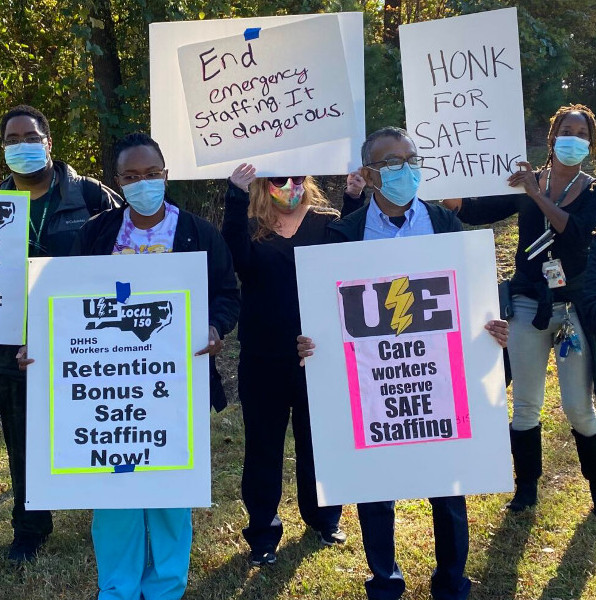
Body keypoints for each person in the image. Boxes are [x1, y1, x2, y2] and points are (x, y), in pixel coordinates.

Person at [297, 126, 509, 600]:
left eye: (412, 159)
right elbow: (328, 311)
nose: (406, 170)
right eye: (393, 163)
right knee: (376, 484)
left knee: (448, 486)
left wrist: (492, 327)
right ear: (369, 175)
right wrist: (315, 344)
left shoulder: (443, 223)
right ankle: (384, 578)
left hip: (437, 380)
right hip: (374, 380)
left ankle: (452, 580)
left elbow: (473, 294)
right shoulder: (344, 233)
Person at [67, 132, 238, 599]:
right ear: (118, 181)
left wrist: (214, 328)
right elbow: (67, 301)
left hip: (176, 386)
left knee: (168, 490)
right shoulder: (97, 233)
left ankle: (165, 586)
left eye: (151, 174)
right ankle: (118, 588)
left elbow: (227, 293)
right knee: (115, 490)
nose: (143, 183)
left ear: (166, 174)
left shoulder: (199, 232)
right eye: (131, 176)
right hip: (110, 389)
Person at [443, 104, 596, 515]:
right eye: (566, 130)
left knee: (579, 409)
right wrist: (456, 201)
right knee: (526, 404)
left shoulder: (594, 190)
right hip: (528, 306)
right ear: (551, 138)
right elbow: (480, 211)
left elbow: (574, 231)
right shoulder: (526, 181)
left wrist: (534, 193)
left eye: (581, 133)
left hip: (571, 312)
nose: (573, 138)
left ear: (591, 143)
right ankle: (526, 487)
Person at [221, 165, 365, 566]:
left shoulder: (328, 222)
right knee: (263, 446)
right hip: (261, 355)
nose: (290, 186)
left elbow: (351, 264)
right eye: (279, 180)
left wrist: (355, 198)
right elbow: (235, 258)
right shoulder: (251, 226)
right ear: (264, 186)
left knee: (316, 441)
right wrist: (234, 195)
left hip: (317, 354)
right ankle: (262, 531)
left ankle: (324, 518)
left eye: (298, 178)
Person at [0, 104, 121, 562]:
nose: (21, 146)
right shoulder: (0, 207)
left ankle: (112, 515)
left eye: (30, 137)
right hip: (12, 342)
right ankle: (30, 528)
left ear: (49, 143)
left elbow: (131, 243)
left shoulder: (90, 196)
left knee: (98, 425)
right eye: (12, 140)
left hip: (84, 338)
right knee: (22, 437)